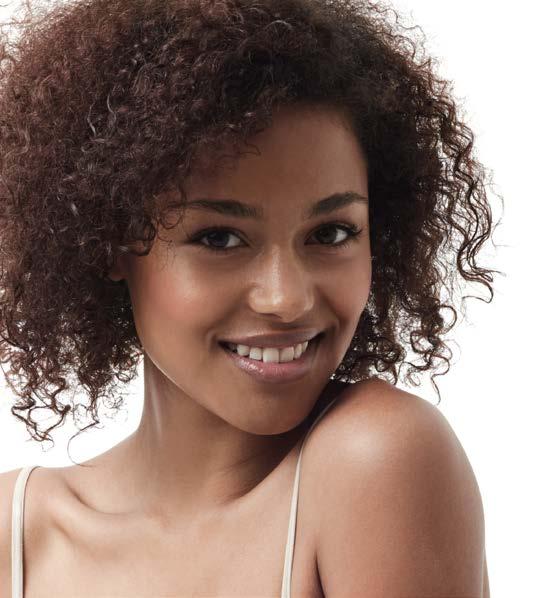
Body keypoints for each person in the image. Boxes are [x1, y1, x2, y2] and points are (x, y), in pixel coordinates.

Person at [0, 0, 499, 595]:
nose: (286, 299)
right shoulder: (15, 534)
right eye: (220, 238)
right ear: (108, 242)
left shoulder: (376, 460)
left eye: (331, 234)